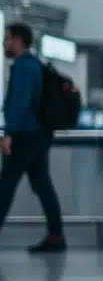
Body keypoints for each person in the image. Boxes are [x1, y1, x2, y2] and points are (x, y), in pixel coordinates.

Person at [0, 23, 66, 254]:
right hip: (39, 134)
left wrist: (9, 132)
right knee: (42, 185)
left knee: (6, 186)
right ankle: (56, 236)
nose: (5, 43)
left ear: (19, 41)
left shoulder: (23, 67)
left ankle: (56, 236)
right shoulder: (35, 64)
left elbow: (20, 102)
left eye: (7, 39)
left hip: (25, 135)